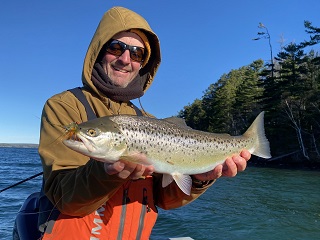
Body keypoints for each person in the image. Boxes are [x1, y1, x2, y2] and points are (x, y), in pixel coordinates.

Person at [37, 6, 251, 239]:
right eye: (116, 48)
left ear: (143, 65)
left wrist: (200, 179)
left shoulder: (148, 121)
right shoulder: (64, 106)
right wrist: (106, 171)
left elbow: (165, 199)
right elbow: (64, 199)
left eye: (137, 54)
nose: (125, 59)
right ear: (99, 51)